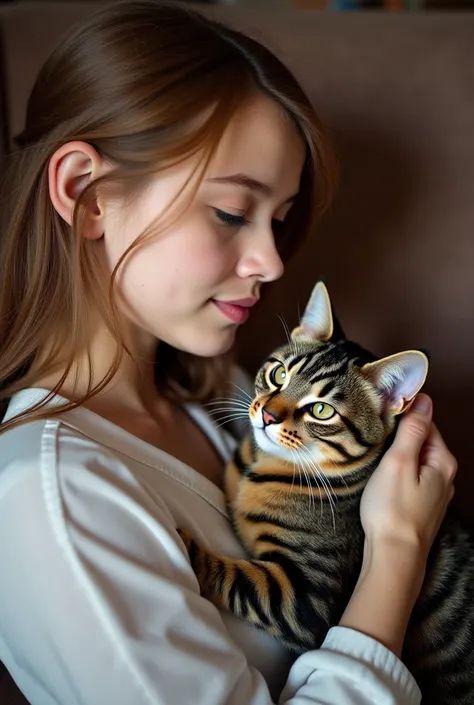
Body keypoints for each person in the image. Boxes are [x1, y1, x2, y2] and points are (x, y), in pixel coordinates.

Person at [0, 2, 457, 704]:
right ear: (88, 196)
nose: (273, 262)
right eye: (231, 211)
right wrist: (398, 548)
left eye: (278, 219)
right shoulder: (47, 497)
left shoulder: (221, 402)